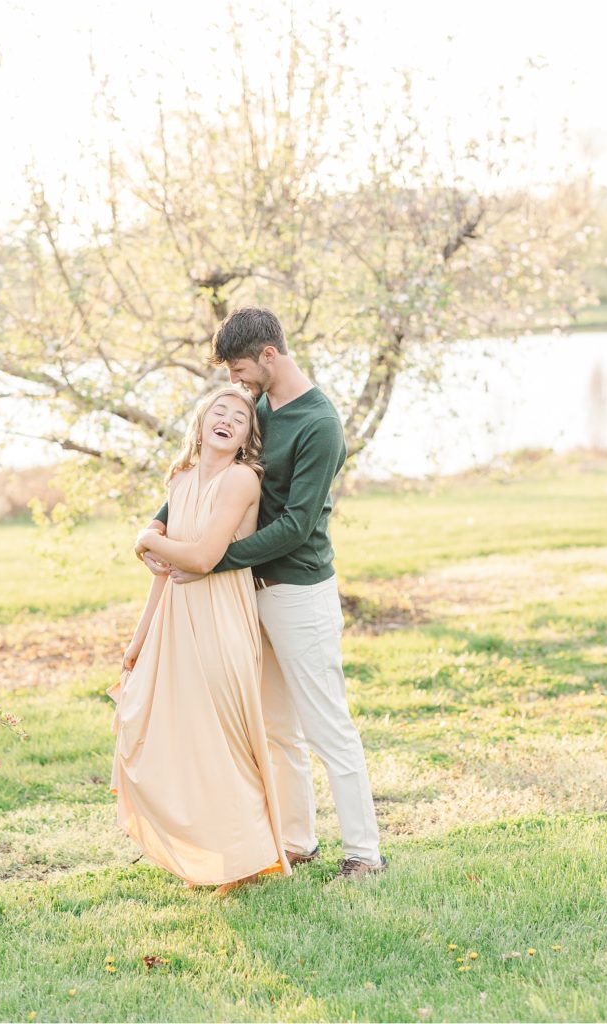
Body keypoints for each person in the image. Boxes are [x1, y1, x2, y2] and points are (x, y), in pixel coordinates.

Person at [141, 307, 386, 881]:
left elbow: (297, 525)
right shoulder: (260, 409)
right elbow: (216, 467)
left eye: (242, 368)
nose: (236, 382)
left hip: (299, 593)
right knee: (276, 728)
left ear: (270, 357)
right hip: (249, 594)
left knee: (328, 727)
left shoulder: (319, 424)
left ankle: (365, 854)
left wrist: (210, 560)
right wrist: (161, 523)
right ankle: (298, 841)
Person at [108, 386, 292, 895]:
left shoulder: (240, 480)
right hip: (174, 619)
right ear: (201, 421)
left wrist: (147, 538)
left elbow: (204, 557)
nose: (229, 419)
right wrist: (140, 638)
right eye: (220, 410)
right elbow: (165, 572)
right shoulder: (181, 480)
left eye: (240, 417)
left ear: (246, 439)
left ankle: (247, 857)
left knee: (226, 742)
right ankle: (213, 856)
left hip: (222, 618)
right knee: (183, 738)